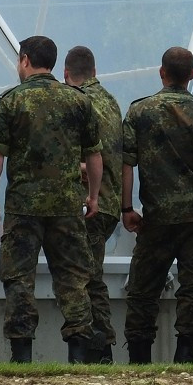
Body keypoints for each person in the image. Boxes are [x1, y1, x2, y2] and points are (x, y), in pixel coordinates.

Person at [0, 35, 102, 364]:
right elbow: (94, 154)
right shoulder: (78, 101)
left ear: (24, 60)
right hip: (66, 205)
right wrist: (92, 196)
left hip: (24, 207)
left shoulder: (11, 101)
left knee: (19, 280)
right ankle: (78, 355)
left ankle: (22, 357)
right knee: (73, 279)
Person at [121, 46, 193, 364]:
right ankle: (185, 357)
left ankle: (139, 360)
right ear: (191, 75)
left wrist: (126, 208)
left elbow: (127, 164)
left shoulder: (140, 111)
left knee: (143, 290)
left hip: (157, 218)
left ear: (161, 72)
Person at [63, 45, 123, 364]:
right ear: (95, 71)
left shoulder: (76, 103)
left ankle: (99, 348)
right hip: (109, 201)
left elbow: (78, 154)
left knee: (87, 278)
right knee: (91, 274)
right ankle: (99, 348)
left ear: (66, 74)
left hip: (89, 203)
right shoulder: (110, 101)